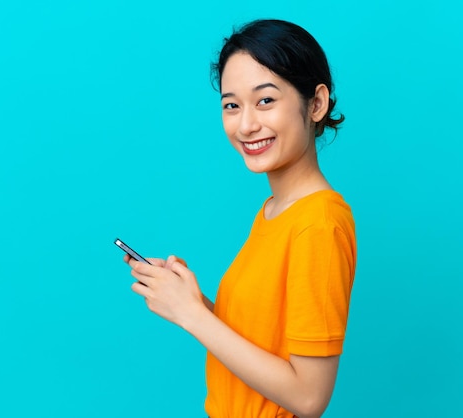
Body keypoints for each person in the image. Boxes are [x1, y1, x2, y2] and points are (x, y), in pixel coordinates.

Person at [123, 19, 357, 418]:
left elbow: (308, 397)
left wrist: (192, 315)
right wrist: (195, 303)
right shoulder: (273, 211)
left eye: (265, 100)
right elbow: (264, 343)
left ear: (316, 104)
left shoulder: (318, 222)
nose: (246, 125)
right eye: (232, 105)